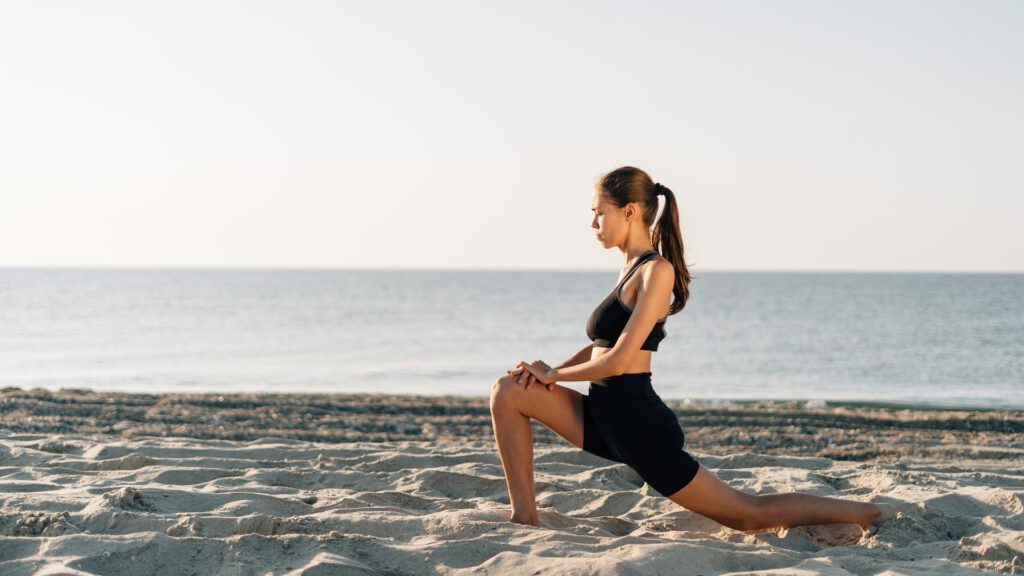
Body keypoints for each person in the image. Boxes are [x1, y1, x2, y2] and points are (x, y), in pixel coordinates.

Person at [489, 165, 896, 533]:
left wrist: (554, 376)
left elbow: (617, 362)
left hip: (637, 426)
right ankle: (525, 515)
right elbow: (602, 345)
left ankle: (866, 513)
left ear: (630, 211)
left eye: (599, 212)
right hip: (601, 417)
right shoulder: (628, 268)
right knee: (508, 391)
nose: (593, 222)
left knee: (746, 515)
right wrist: (548, 371)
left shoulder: (656, 271)